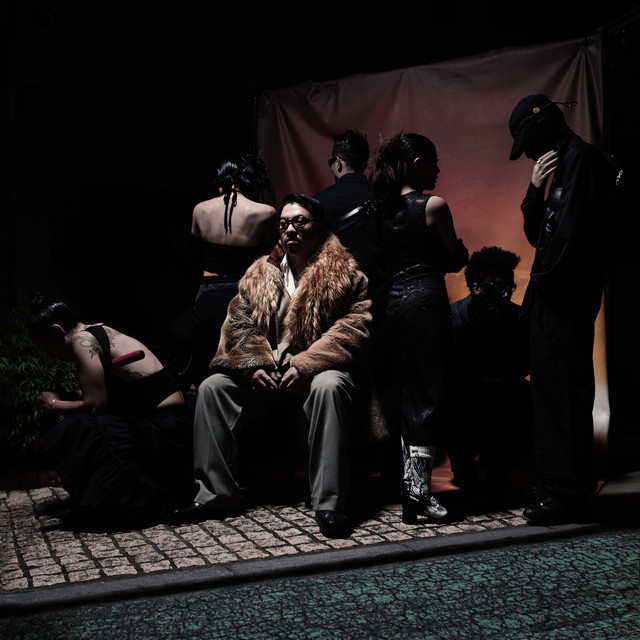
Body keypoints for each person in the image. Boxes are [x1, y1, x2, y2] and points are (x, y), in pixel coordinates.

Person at [169, 193, 373, 538]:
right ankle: (216, 495)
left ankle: (329, 503)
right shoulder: (259, 273)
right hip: (266, 373)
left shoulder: (346, 274)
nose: (290, 229)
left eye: (300, 221)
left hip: (316, 372)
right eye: (284, 223)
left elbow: (353, 327)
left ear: (318, 227)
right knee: (212, 388)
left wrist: (306, 365)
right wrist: (252, 365)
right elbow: (238, 322)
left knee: (332, 386)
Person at [508, 94, 620, 524]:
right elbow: (541, 236)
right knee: (557, 393)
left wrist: (541, 294)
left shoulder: (583, 161)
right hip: (557, 301)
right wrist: (533, 190)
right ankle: (566, 487)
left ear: (541, 127)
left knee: (561, 395)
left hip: (562, 302)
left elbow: (569, 240)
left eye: (527, 142)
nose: (528, 154)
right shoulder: (563, 164)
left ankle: (566, 493)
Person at [30, 295, 195, 530]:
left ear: (57, 331)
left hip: (167, 429)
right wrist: (67, 397)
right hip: (173, 422)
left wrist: (54, 404)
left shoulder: (82, 341)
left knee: (84, 429)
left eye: (47, 348)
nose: (50, 355)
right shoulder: (97, 329)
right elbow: (100, 392)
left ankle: (141, 504)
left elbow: (95, 405)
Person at [370, 132, 468, 524]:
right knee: (427, 397)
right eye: (434, 161)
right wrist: (455, 254)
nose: (438, 169)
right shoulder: (433, 206)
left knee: (406, 395)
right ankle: (418, 493)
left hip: (393, 307)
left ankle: (412, 489)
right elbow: (455, 257)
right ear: (417, 164)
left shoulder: (380, 210)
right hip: (426, 305)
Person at [185, 153, 277, 387]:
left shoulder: (200, 210)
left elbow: (195, 255)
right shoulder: (265, 213)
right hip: (244, 295)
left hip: (208, 293)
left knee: (202, 367)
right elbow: (269, 257)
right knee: (245, 369)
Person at [447, 246, 532, 500]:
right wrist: (475, 334)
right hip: (466, 397)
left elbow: (523, 367)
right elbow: (449, 369)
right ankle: (467, 465)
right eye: (497, 288)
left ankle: (498, 460)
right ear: (476, 288)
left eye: (508, 288)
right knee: (453, 399)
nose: (504, 295)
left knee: (525, 395)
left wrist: (501, 335)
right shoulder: (455, 315)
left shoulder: (516, 316)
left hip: (503, 395)